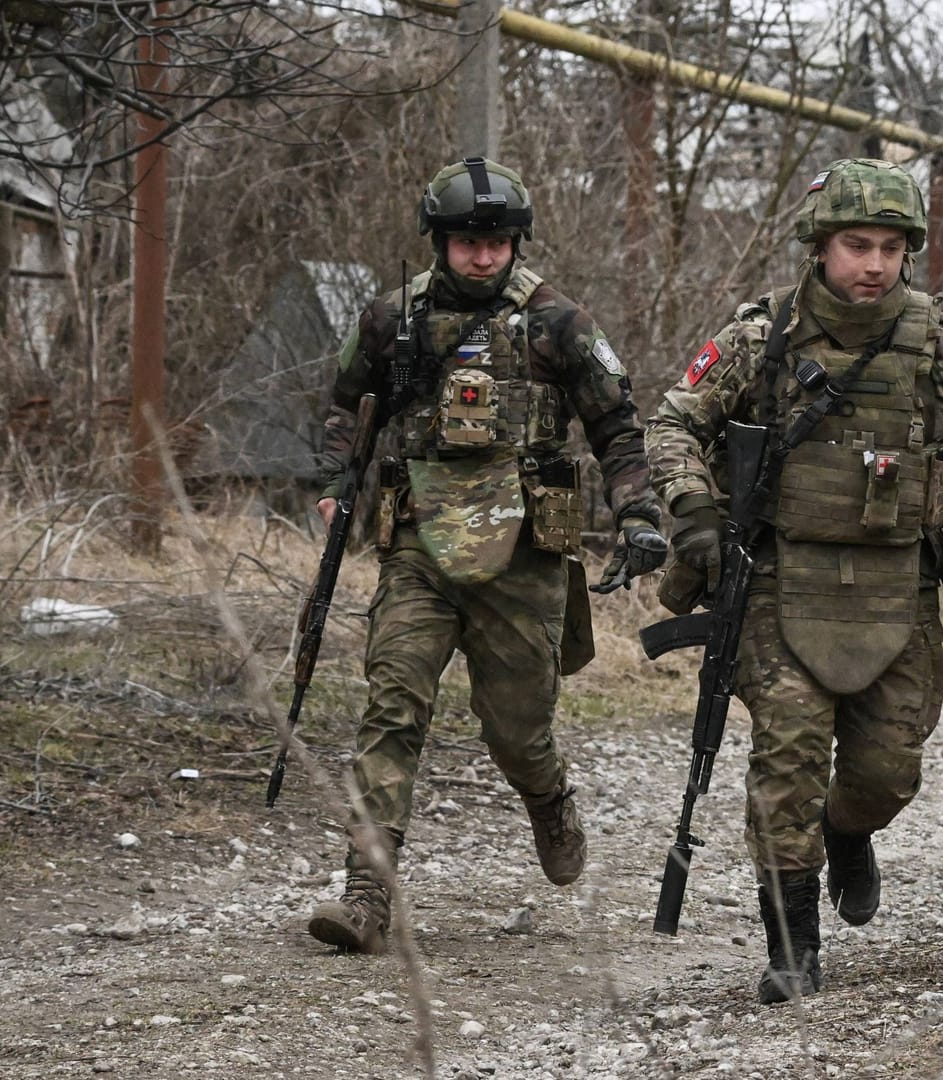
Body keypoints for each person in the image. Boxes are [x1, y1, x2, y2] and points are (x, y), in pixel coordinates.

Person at [645, 158, 943, 1002]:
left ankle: (847, 830)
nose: (873, 263)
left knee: (888, 770)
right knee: (787, 755)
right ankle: (793, 947)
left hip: (898, 583)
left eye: (891, 248)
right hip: (782, 580)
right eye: (856, 244)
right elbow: (674, 422)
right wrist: (695, 509)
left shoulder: (937, 343)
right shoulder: (764, 338)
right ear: (820, 246)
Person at [305, 155, 666, 953]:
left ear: (517, 242)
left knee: (516, 729)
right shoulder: (390, 319)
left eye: (496, 241)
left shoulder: (558, 324)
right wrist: (337, 482)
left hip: (523, 554)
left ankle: (548, 797)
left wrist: (639, 512)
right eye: (466, 240)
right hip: (418, 545)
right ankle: (366, 893)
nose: (481, 255)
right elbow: (345, 407)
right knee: (393, 704)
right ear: (438, 240)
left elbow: (618, 428)